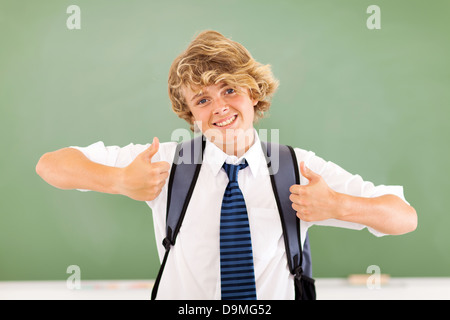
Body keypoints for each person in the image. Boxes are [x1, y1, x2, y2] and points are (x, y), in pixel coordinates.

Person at [36, 30, 417, 299]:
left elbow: (403, 218)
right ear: (189, 114)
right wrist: (120, 180)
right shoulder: (165, 163)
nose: (218, 107)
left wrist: (338, 206)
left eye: (230, 90)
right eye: (201, 100)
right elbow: (50, 165)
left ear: (254, 93)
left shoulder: (298, 168)